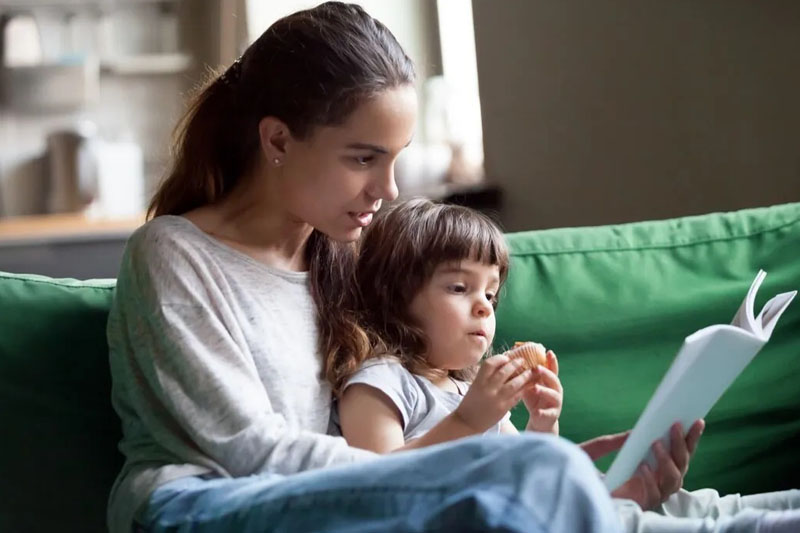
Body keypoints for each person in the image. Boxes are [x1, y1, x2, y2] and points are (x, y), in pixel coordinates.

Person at [106, 3, 625, 532]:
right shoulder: (174, 255)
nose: (389, 189)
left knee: (558, 490)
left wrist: (556, 478)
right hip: (200, 504)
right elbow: (249, 450)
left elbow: (427, 400)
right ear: (278, 141)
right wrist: (459, 470)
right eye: (362, 159)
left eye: (395, 158)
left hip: (334, 502)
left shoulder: (348, 257)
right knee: (534, 482)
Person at [331, 198, 800, 533]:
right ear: (394, 297)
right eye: (459, 288)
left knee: (696, 505)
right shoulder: (381, 383)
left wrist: (543, 425)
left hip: (547, 512)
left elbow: (532, 472)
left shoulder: (463, 388)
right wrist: (467, 421)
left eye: (490, 294)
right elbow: (374, 485)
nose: (484, 308)